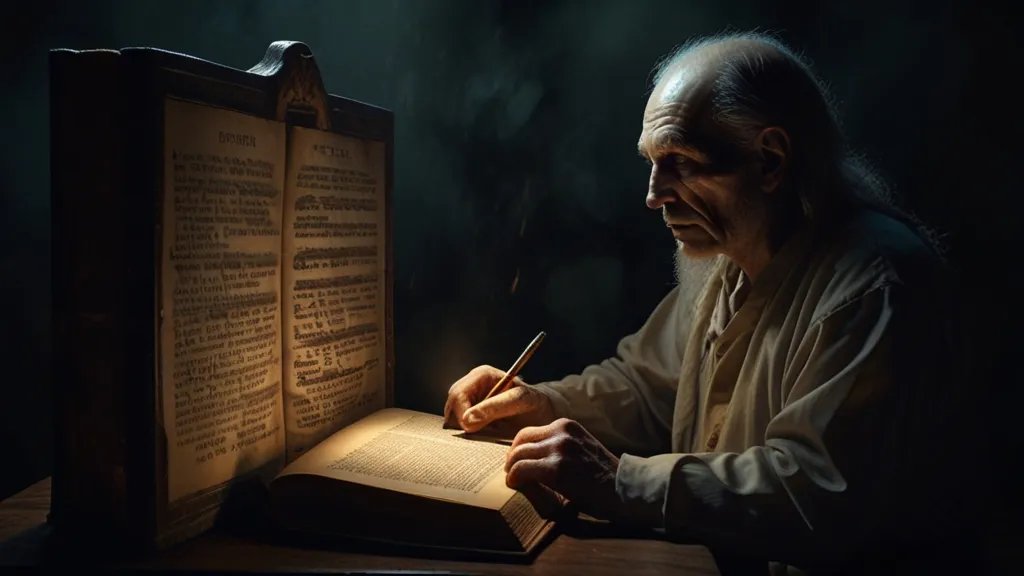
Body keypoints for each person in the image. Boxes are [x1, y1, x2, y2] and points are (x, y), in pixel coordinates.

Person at [444, 32, 976, 574]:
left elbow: (817, 491)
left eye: (680, 160)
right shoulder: (728, 258)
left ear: (770, 159)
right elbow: (647, 389)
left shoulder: (873, 284)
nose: (654, 194)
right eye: (652, 162)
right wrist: (543, 404)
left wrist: (620, 481)